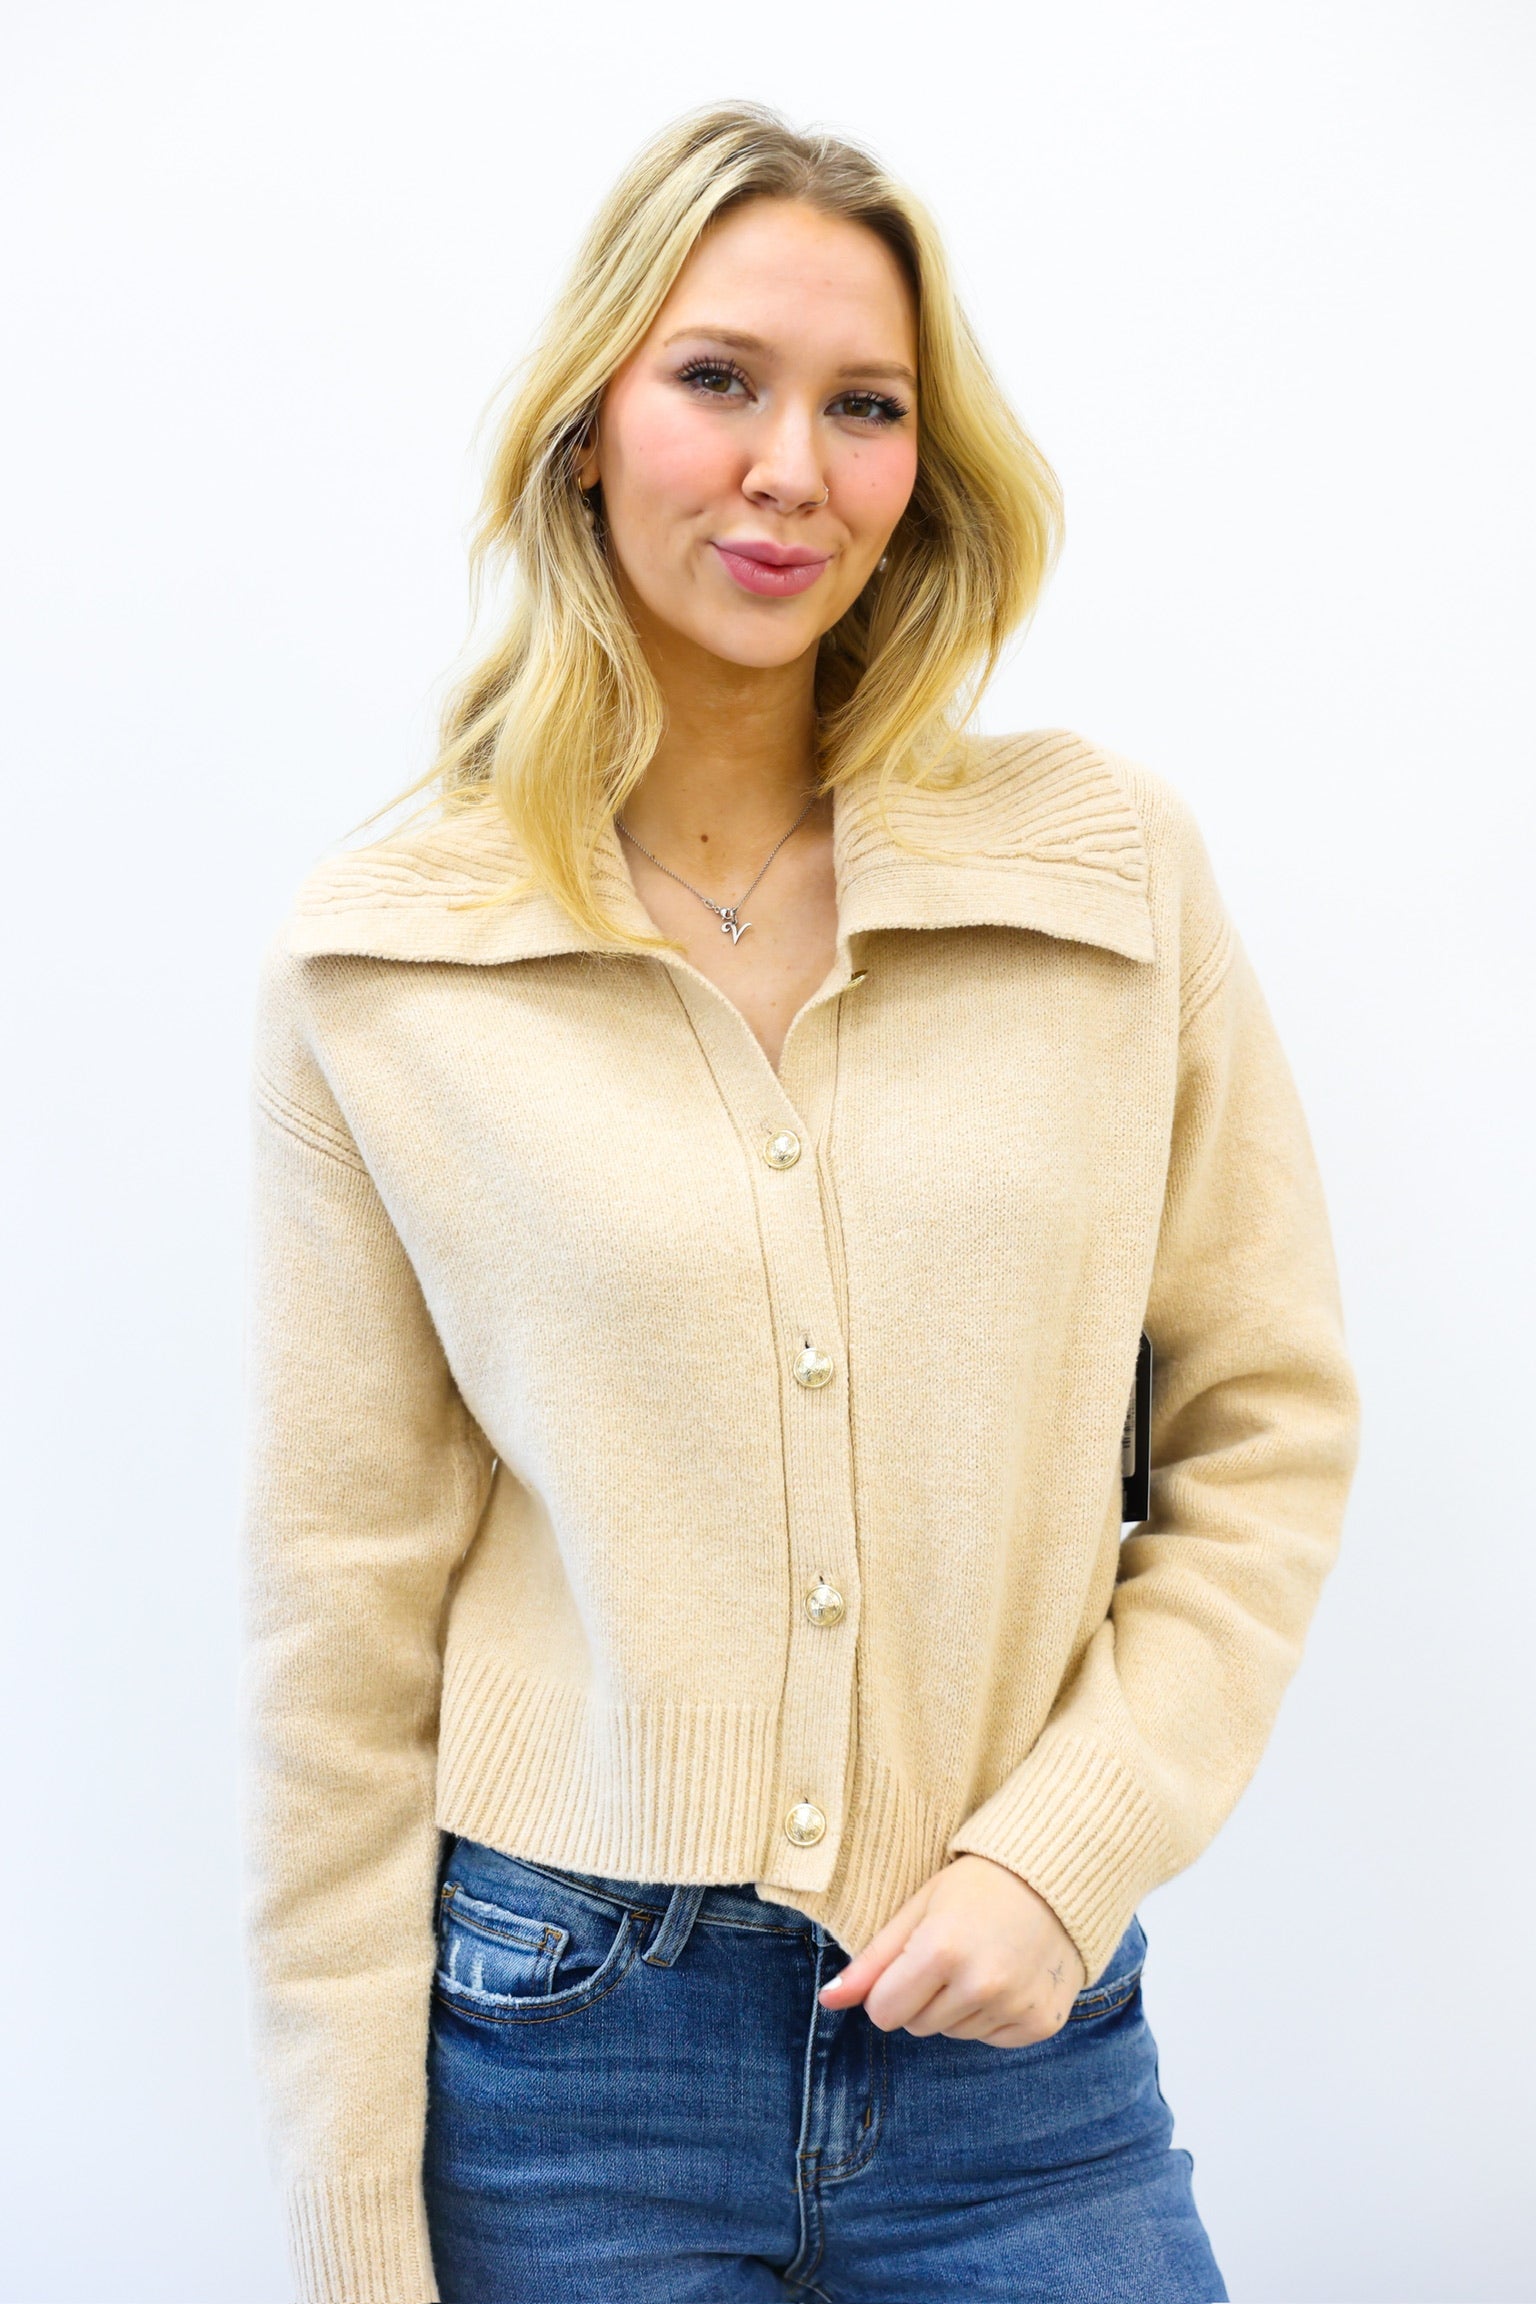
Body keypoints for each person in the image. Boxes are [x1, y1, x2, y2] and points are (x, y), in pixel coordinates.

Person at [241, 102, 1358, 2304]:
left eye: (865, 410)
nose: (789, 468)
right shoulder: (386, 957)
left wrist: (1067, 1856)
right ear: (588, 429)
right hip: (563, 2063)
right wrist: (359, 2232)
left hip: (1023, 2062)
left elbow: (1270, 1431)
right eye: (720, 380)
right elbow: (337, 1618)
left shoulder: (1106, 876)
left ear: (920, 479)